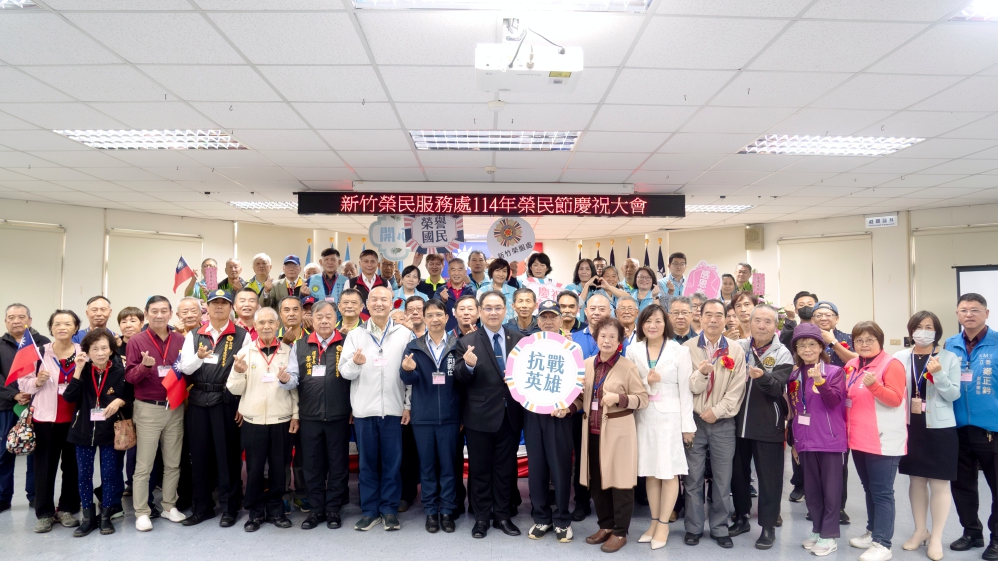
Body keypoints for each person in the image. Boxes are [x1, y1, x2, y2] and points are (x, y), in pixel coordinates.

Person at [339, 285, 413, 532]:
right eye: (374, 299)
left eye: (384, 299)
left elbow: (410, 374)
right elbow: (344, 372)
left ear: (392, 304)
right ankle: (370, 511)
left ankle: (389, 510)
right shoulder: (355, 335)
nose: (379, 303)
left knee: (392, 464)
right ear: (366, 306)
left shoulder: (404, 334)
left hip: (393, 410)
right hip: (364, 411)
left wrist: (407, 405)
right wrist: (355, 363)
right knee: (367, 464)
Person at [178, 289, 252, 527]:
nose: (219, 307)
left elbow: (247, 372)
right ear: (206, 308)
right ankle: (202, 508)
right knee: (199, 455)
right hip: (198, 399)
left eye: (224, 303)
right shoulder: (194, 334)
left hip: (227, 399)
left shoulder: (242, 335)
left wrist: (242, 403)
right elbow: (185, 368)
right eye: (214, 303)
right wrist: (199, 357)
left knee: (228, 455)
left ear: (231, 308)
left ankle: (230, 507)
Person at [454, 290, 525, 539]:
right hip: (479, 416)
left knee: (505, 470)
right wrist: (469, 365)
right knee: (480, 470)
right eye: (488, 308)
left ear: (505, 310)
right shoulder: (466, 341)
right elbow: (459, 378)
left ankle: (503, 516)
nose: (493, 312)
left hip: (510, 415)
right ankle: (482, 517)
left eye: (497, 308)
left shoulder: (520, 340)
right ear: (480, 311)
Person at [575, 316, 648, 553]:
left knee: (621, 483)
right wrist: (569, 408)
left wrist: (619, 398)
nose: (606, 340)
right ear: (595, 338)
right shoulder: (587, 364)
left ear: (620, 342)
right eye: (603, 336)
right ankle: (605, 526)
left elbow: (642, 399)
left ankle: (620, 532)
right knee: (597, 482)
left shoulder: (627, 367)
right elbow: (580, 398)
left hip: (619, 433)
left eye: (612, 337)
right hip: (592, 433)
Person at [627, 304, 693, 550]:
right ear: (641, 325)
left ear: (666, 324)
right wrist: (647, 381)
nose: (652, 325)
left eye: (657, 321)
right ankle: (654, 522)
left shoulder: (679, 350)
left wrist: (687, 426)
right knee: (650, 471)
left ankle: (664, 524)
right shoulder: (633, 350)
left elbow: (685, 390)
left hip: (670, 419)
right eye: (647, 321)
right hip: (644, 417)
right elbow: (630, 384)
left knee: (669, 471)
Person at [683, 299, 747, 549]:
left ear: (726, 319)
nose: (713, 320)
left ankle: (720, 527)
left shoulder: (735, 350)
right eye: (708, 314)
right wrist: (701, 374)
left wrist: (718, 411)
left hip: (723, 423)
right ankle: (693, 527)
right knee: (693, 478)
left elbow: (737, 389)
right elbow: (687, 388)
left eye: (718, 315)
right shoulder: (687, 348)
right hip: (694, 422)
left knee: (722, 478)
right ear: (699, 317)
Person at [896, 311, 960, 561]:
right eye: (918, 326)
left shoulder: (948, 357)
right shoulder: (900, 357)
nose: (923, 331)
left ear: (937, 331)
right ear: (911, 331)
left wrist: (939, 374)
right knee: (916, 480)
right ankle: (920, 530)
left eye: (929, 327)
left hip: (940, 428)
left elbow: (953, 395)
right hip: (910, 426)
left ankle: (936, 538)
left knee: (940, 483)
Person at [227, 307, 298, 532]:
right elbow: (234, 389)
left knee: (279, 468)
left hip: (281, 419)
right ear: (255, 326)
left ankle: (276, 511)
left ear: (277, 325)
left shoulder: (288, 351)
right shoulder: (245, 352)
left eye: (270, 322)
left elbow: (295, 387)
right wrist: (238, 372)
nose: (266, 326)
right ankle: (255, 513)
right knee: (255, 468)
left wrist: (295, 414)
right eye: (261, 323)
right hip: (253, 420)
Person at [729, 305, 793, 549]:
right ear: (750, 322)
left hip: (768, 424)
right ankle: (742, 517)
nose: (762, 325)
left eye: (768, 321)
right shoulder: (738, 347)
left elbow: (776, 388)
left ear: (775, 325)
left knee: (770, 479)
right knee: (738, 475)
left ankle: (767, 527)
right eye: (757, 320)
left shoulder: (783, 353)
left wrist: (762, 376)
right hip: (736, 423)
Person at [845, 321, 907, 561]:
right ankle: (872, 532)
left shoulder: (891, 364)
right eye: (859, 340)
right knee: (869, 488)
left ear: (880, 341)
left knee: (882, 492)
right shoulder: (852, 365)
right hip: (858, 438)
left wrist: (875, 387)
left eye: (870, 340)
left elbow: (895, 399)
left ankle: (883, 543)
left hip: (883, 440)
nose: (864, 344)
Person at [125, 296, 187, 531]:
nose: (159, 315)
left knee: (173, 462)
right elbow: (130, 377)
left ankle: (169, 506)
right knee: (144, 465)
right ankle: (142, 512)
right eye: (154, 311)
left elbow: (186, 371)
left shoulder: (181, 339)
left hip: (175, 407)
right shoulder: (137, 340)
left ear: (171, 313)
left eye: (164, 311)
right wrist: (145, 367)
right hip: (148, 408)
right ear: (146, 313)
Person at [289, 300, 352, 530]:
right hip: (309, 416)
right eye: (319, 317)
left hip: (339, 414)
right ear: (312, 320)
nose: (324, 321)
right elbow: (293, 378)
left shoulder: (347, 342)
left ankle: (333, 509)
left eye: (328, 316)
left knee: (338, 465)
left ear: (336, 319)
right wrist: (285, 380)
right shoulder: (300, 345)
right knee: (312, 465)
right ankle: (316, 509)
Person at [400, 299, 461, 534]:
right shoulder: (413, 346)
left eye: (439, 314)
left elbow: (463, 383)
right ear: (424, 319)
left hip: (450, 416)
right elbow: (409, 380)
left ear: (447, 318)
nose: (435, 319)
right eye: (430, 315)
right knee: (427, 467)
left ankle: (447, 511)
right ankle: (430, 512)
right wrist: (406, 370)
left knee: (448, 467)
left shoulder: (457, 345)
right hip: (422, 417)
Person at [18, 310, 83, 533]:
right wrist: (37, 381)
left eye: (67, 324)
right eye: (57, 324)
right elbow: (23, 383)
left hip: (76, 421)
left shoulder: (83, 353)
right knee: (44, 468)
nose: (62, 327)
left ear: (76, 328)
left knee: (72, 467)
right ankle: (44, 513)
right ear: (51, 328)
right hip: (45, 420)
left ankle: (67, 509)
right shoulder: (38, 353)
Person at [63, 328, 131, 537]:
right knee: (84, 475)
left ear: (111, 350)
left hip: (110, 432)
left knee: (110, 474)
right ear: (87, 351)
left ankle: (106, 516)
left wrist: (120, 401)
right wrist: (77, 369)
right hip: (83, 431)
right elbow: (69, 397)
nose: (100, 353)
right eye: (95, 349)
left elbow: (131, 397)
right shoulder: (82, 371)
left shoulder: (120, 372)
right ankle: (87, 517)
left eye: (104, 348)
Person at [946, 293, 998, 558]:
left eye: (975, 310)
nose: (969, 314)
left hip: (991, 429)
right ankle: (971, 532)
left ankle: (997, 538)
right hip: (957, 428)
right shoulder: (950, 344)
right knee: (962, 485)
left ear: (986, 313)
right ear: (957, 314)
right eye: (963, 310)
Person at [520, 300, 576, 543]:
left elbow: (580, 385)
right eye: (544, 317)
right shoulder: (527, 347)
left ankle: (563, 520)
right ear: (537, 320)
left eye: (553, 316)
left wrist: (568, 407)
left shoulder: (571, 348)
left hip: (559, 416)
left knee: (561, 469)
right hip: (533, 414)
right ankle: (541, 517)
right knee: (537, 469)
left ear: (561, 319)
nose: (549, 321)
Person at [789, 323, 847, 557]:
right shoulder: (794, 375)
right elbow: (795, 408)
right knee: (812, 489)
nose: (807, 349)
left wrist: (821, 383)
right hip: (805, 440)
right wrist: (794, 441)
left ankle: (829, 534)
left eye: (812, 344)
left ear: (821, 347)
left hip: (829, 439)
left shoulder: (834, 372)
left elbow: (834, 402)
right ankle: (817, 529)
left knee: (831, 489)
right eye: (802, 345)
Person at [0, 303, 48, 513]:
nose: (16, 321)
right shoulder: (0, 345)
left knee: (35, 452)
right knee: (4, 451)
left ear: (30, 320)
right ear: (5, 321)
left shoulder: (43, 343)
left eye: (21, 317)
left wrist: (31, 389)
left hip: (37, 405)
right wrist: (14, 394)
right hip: (6, 406)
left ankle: (35, 495)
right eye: (11, 317)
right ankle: (3, 497)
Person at [435, 258, 475, 332]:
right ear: (448, 272)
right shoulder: (440, 291)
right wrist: (443, 302)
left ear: (465, 272)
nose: (456, 273)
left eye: (460, 269)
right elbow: (434, 312)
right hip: (446, 333)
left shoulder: (472, 291)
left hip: (468, 332)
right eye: (453, 270)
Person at [814, 301, 857, 367]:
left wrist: (833, 342)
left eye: (828, 315)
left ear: (836, 319)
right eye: (819, 315)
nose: (823, 318)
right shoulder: (808, 339)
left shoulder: (849, 338)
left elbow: (858, 362)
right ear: (812, 320)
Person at [477, 258, 517, 324]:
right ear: (491, 272)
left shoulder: (514, 291)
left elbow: (516, 314)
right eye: (497, 270)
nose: (501, 274)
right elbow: (479, 313)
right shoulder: (482, 291)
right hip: (488, 328)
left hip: (509, 329)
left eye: (504, 271)